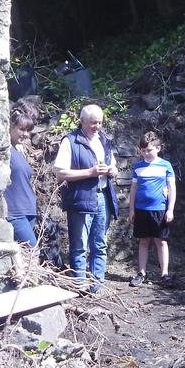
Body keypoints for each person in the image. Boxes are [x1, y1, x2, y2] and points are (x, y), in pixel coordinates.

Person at [53, 103, 118, 290]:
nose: (97, 127)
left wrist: (112, 170)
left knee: (100, 244)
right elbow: (60, 174)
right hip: (80, 199)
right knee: (79, 246)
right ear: (81, 121)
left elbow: (112, 165)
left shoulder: (104, 140)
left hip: (102, 197)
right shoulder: (70, 141)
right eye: (93, 123)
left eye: (100, 122)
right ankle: (79, 286)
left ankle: (97, 285)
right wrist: (90, 172)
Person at [128, 131, 176, 287]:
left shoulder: (165, 165)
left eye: (149, 150)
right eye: (143, 150)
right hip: (141, 210)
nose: (146, 153)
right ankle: (141, 272)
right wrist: (131, 210)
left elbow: (172, 188)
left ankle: (165, 274)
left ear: (158, 148)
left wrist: (170, 209)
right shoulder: (138, 166)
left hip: (159, 210)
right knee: (143, 242)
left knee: (161, 242)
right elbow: (133, 189)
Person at [5, 107, 38, 247]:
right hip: (15, 211)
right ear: (10, 126)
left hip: (28, 209)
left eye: (28, 130)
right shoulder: (4, 151)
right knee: (32, 250)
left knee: (24, 254)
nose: (26, 134)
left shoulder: (18, 150)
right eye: (21, 129)